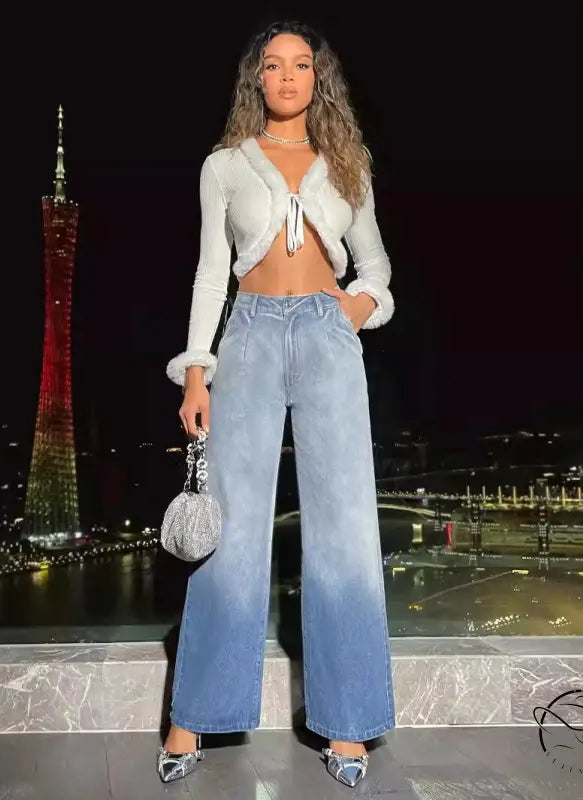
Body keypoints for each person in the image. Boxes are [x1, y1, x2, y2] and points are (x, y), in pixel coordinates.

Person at [158, 20, 396, 789]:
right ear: (254, 80)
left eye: (300, 65)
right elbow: (208, 275)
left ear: (316, 78)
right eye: (272, 65)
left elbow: (375, 268)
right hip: (250, 339)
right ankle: (193, 713)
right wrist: (198, 373)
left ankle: (349, 723)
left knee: (345, 529)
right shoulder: (224, 165)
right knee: (229, 529)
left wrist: (351, 313)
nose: (286, 76)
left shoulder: (346, 163)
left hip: (328, 341)